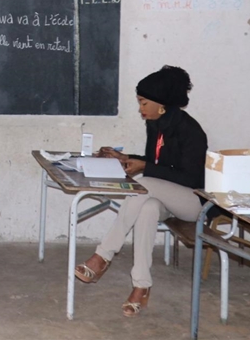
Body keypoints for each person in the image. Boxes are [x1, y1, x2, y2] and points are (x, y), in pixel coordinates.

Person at [75, 65, 207, 317]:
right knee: (146, 207)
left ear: (161, 104)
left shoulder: (191, 131)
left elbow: (191, 178)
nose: (140, 109)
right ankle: (141, 287)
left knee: (144, 184)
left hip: (193, 203)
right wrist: (125, 157)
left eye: (143, 103)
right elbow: (155, 162)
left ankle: (102, 256)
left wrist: (145, 166)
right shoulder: (156, 125)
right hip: (164, 200)